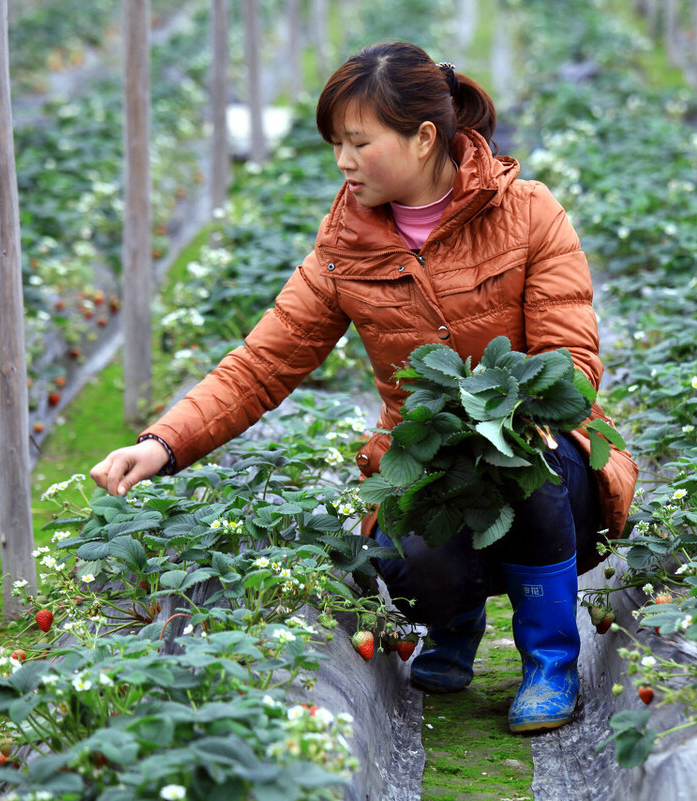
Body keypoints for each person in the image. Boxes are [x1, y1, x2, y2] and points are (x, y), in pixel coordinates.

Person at [90, 42, 638, 734]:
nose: (343, 162)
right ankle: (455, 622)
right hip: (428, 460)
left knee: (530, 467)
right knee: (410, 563)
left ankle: (549, 658)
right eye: (336, 144)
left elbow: (570, 356)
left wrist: (523, 414)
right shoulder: (346, 245)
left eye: (357, 142)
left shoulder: (527, 212)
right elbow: (263, 363)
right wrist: (164, 444)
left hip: (541, 449)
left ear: (424, 138)